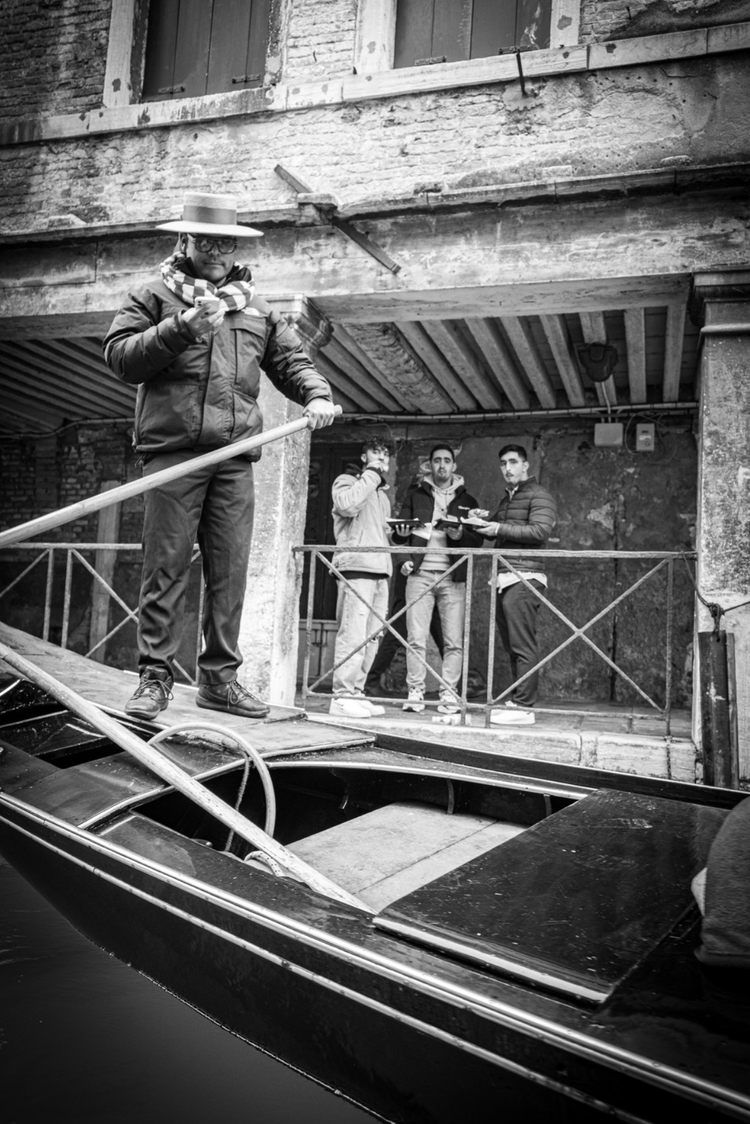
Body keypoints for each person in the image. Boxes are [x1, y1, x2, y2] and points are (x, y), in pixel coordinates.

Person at [103, 191, 335, 721]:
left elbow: (292, 360)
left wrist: (316, 394)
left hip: (234, 458)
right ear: (184, 241)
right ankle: (155, 677)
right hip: (174, 457)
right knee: (165, 568)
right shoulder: (155, 295)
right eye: (204, 240)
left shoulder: (254, 307)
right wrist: (183, 326)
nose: (215, 250)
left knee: (230, 570)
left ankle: (220, 680)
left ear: (235, 248)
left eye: (224, 242)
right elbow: (121, 358)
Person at [472, 444, 557, 725]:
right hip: (506, 576)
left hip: (526, 576)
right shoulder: (508, 499)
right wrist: (477, 521)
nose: (507, 468)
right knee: (512, 644)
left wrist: (497, 527)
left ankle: (524, 707)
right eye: (503, 463)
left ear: (525, 466)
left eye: (513, 462)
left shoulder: (539, 494)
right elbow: (499, 529)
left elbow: (540, 530)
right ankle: (517, 699)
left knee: (522, 644)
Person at [393, 445, 480, 714]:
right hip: (419, 575)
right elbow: (398, 537)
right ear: (429, 465)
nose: (442, 465)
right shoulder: (415, 495)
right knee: (415, 638)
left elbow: (477, 542)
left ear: (454, 466)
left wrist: (458, 536)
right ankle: (416, 692)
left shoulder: (469, 501)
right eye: (437, 461)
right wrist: (404, 557)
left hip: (452, 578)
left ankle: (448, 694)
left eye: (447, 461)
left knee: (454, 641)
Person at [329, 436, 394, 719]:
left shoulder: (382, 495)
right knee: (353, 634)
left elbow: (382, 533)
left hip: (381, 569)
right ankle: (341, 696)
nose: (381, 458)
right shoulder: (346, 481)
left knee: (371, 637)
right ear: (364, 457)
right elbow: (346, 505)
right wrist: (371, 476)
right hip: (356, 566)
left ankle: (356, 691)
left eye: (385, 455)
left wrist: (400, 536)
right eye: (375, 452)